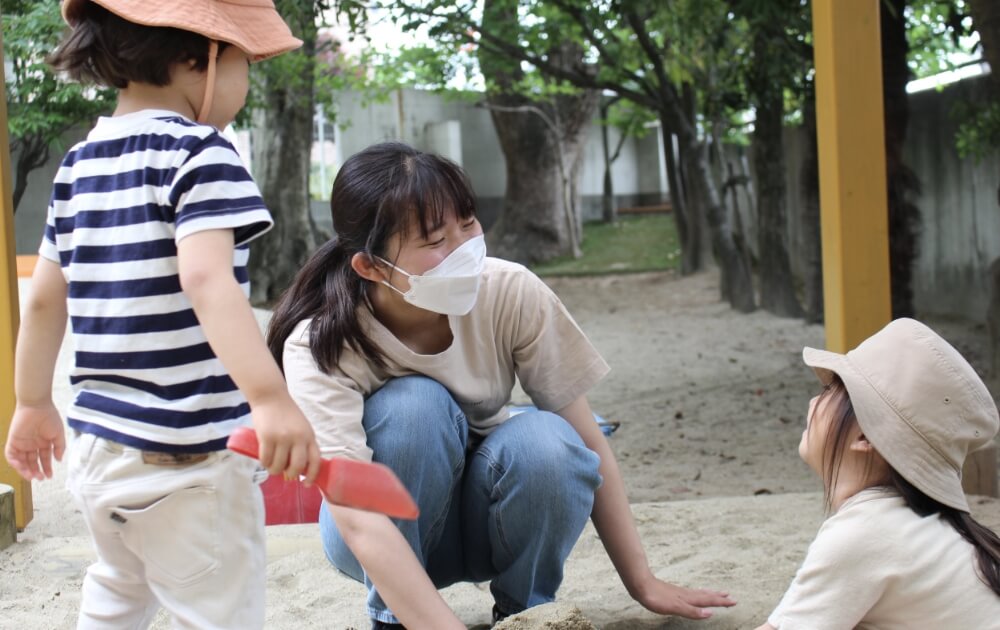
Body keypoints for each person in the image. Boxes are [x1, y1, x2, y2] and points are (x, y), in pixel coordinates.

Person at [266, 141, 737, 629]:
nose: (464, 249)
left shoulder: (510, 291)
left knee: (553, 439)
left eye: (467, 224)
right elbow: (356, 509)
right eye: (434, 241)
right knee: (415, 406)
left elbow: (590, 439)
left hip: (488, 519)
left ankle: (525, 615)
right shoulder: (322, 343)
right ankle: (396, 619)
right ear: (371, 267)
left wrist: (643, 583)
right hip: (371, 535)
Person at [2, 1, 322, 627]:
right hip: (187, 454)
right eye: (244, 62)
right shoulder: (201, 154)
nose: (246, 81)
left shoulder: (78, 166)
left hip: (100, 449)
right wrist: (269, 397)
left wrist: (33, 402)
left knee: (118, 591)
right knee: (216, 610)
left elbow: (43, 297)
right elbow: (204, 278)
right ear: (196, 56)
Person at [757, 318, 1000, 629]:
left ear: (864, 437)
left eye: (829, 390)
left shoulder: (863, 533)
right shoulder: (922, 528)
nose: (813, 401)